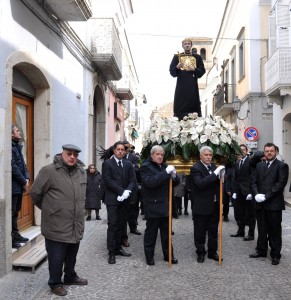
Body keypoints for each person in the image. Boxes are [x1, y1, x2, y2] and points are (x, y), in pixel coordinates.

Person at [30, 144, 88, 297]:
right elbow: (35, 193)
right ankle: (55, 283)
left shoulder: (82, 172)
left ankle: (70, 275)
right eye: (69, 154)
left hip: (76, 222)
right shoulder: (48, 171)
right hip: (56, 223)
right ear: (62, 154)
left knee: (71, 254)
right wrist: (51, 210)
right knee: (56, 257)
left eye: (75, 155)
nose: (72, 157)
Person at [250, 142, 289, 265]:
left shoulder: (282, 166)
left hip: (274, 204)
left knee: (274, 230)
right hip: (260, 204)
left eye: (271, 151)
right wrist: (256, 194)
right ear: (264, 152)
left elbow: (280, 184)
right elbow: (253, 182)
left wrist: (266, 197)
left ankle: (275, 254)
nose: (269, 153)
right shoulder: (259, 166)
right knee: (261, 229)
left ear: (275, 152)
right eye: (266, 151)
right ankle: (261, 250)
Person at [140, 145, 180, 266]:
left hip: (165, 205)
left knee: (166, 234)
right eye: (157, 154)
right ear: (152, 155)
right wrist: (165, 173)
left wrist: (174, 175)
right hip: (153, 205)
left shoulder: (164, 166)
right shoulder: (145, 167)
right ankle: (149, 256)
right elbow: (151, 183)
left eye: (162, 155)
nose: (160, 156)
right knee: (151, 234)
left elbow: (175, 183)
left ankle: (168, 256)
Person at [102, 141, 136, 264]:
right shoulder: (107, 164)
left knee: (121, 224)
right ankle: (111, 251)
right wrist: (122, 191)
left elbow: (132, 180)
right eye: (118, 149)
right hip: (112, 199)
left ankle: (118, 248)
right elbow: (108, 180)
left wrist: (128, 191)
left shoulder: (128, 164)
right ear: (114, 150)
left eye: (123, 149)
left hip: (124, 200)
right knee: (113, 224)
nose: (121, 151)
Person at [190, 146, 225, 263]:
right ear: (201, 156)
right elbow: (200, 183)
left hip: (214, 205)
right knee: (200, 231)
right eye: (206, 155)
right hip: (201, 205)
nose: (209, 157)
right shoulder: (196, 168)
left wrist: (222, 177)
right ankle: (200, 252)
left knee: (213, 231)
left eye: (210, 155)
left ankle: (212, 252)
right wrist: (215, 173)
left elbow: (217, 186)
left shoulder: (214, 166)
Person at [169, 38, 206, 120]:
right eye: (185, 44)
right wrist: (177, 67)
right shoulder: (177, 57)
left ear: (191, 45)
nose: (187, 45)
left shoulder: (197, 57)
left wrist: (194, 69)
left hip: (192, 86)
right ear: (182, 45)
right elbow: (172, 72)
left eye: (189, 43)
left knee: (193, 103)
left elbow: (202, 71)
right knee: (180, 104)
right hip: (181, 86)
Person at [230, 144, 256, 241]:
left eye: (243, 150)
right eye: (240, 150)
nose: (241, 152)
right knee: (240, 212)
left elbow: (253, 176)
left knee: (251, 214)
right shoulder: (237, 162)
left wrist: (250, 191)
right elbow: (236, 178)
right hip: (239, 191)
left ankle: (251, 234)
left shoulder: (250, 161)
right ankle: (241, 231)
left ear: (246, 151)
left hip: (248, 192)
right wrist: (235, 191)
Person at [11, 124, 30, 249]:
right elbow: (13, 167)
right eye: (18, 131)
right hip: (13, 186)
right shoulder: (10, 147)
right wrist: (23, 181)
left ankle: (16, 233)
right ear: (12, 134)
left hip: (19, 185)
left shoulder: (18, 146)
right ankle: (11, 238)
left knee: (16, 211)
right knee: (11, 212)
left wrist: (27, 177)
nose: (20, 133)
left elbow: (23, 164)